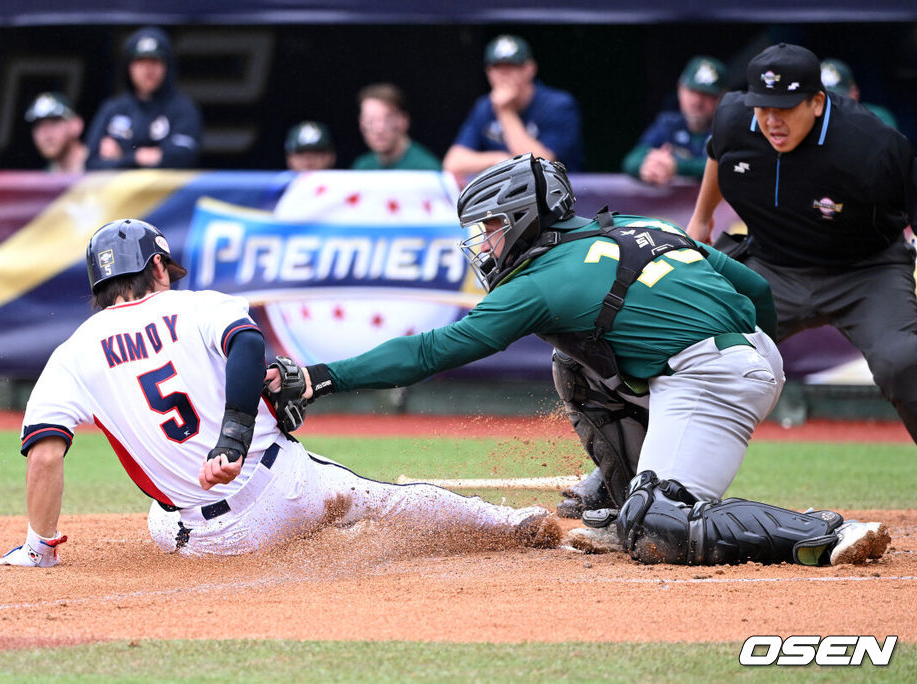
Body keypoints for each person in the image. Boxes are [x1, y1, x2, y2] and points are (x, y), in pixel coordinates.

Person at [271, 153, 891, 567]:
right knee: (573, 361)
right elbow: (755, 292)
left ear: (519, 222)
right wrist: (751, 356)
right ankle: (626, 489)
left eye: (488, 228)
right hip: (732, 356)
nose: (481, 244)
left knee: (657, 531)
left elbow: (434, 350)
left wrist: (322, 376)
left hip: (711, 378)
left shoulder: (539, 283)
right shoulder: (637, 222)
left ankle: (824, 533)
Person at [0, 218, 560, 566]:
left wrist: (41, 546)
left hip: (196, 540)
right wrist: (235, 436)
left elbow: (44, 455)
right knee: (380, 498)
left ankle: (40, 552)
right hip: (280, 490)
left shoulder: (70, 353)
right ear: (156, 268)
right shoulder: (198, 305)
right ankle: (508, 525)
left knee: (159, 512)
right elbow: (246, 345)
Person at [686, 43, 917, 445]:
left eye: (785, 107)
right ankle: (630, 475)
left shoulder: (872, 144)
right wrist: (701, 219)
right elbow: (717, 154)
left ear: (816, 102)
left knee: (904, 362)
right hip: (771, 270)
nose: (772, 120)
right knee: (681, 347)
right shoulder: (734, 118)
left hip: (866, 273)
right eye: (763, 106)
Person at [442, 35, 583, 178]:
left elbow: (540, 166)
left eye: (512, 67)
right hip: (506, 194)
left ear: (530, 69)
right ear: (488, 73)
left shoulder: (558, 105)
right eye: (497, 67)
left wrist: (505, 111)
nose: (504, 75)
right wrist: (497, 159)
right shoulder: (484, 106)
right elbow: (453, 163)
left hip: (557, 194)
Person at [85, 26, 202, 170]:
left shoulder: (183, 108)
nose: (148, 69)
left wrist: (122, 156)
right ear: (129, 67)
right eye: (140, 61)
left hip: (168, 191)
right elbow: (91, 164)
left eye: (155, 61)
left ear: (167, 66)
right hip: (121, 191)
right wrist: (136, 158)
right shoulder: (113, 109)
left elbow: (183, 157)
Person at [621, 56, 727, 185]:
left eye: (706, 95)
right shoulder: (669, 124)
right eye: (692, 91)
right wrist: (648, 168)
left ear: (721, 98)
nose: (697, 101)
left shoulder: (730, 129)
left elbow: (728, 167)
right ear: (680, 89)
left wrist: (676, 166)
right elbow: (632, 160)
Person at [351, 83, 440, 171]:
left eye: (388, 119)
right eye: (370, 121)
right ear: (361, 124)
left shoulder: (425, 169)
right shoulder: (363, 167)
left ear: (404, 121)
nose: (379, 129)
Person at [820, 58, 898, 129]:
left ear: (855, 93)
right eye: (824, 98)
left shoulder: (876, 117)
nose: (830, 104)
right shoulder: (811, 120)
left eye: (838, 98)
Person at [25, 92, 87, 173]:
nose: (46, 132)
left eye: (54, 122)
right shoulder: (42, 181)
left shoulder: (103, 167)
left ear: (76, 125)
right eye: (38, 125)